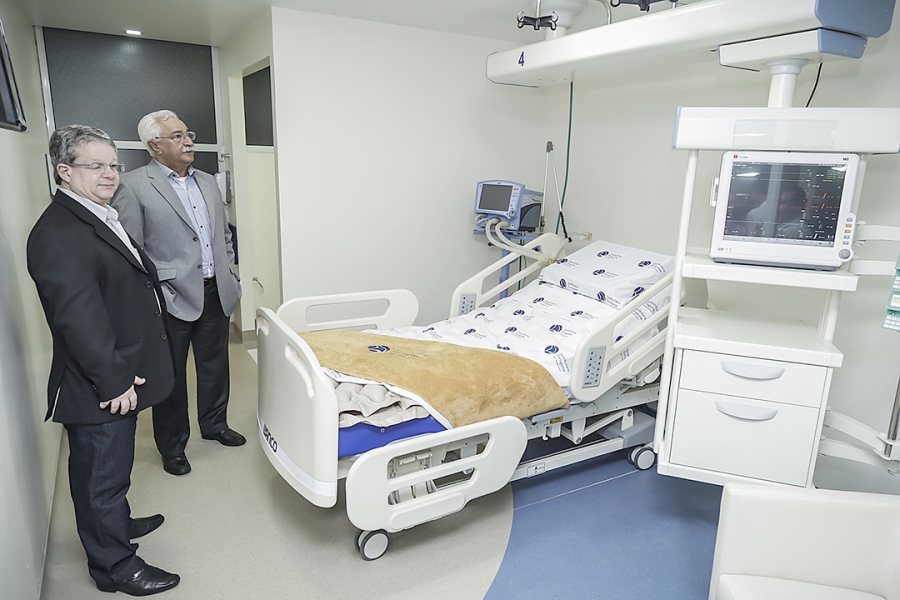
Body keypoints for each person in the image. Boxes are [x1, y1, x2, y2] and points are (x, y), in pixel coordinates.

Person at [27, 125, 179, 595]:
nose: (109, 174)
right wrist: (113, 382)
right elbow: (78, 320)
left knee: (112, 468)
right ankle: (115, 568)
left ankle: (119, 524)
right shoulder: (58, 232)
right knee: (100, 477)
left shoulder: (95, 213)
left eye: (113, 164)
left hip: (118, 366)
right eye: (95, 166)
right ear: (64, 171)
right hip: (100, 380)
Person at [112, 110, 244, 477]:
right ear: (154, 145)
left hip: (216, 291)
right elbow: (133, 251)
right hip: (170, 297)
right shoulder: (133, 186)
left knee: (215, 365)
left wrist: (231, 273)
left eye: (188, 134)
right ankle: (173, 446)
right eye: (177, 136)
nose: (188, 142)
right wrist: (152, 298)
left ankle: (215, 424)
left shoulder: (208, 181)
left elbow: (224, 236)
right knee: (169, 377)